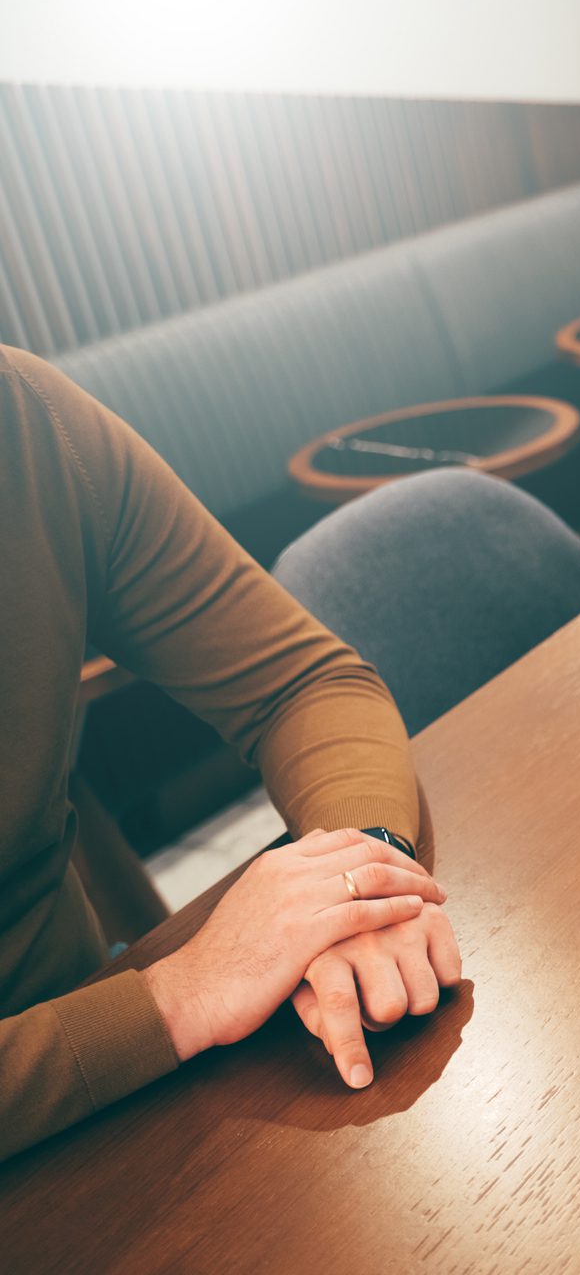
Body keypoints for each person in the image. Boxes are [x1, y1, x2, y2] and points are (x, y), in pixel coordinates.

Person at [1, 346, 463, 1163]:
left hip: (109, 1064)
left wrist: (357, 876)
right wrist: (174, 998)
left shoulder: (24, 415)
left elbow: (303, 683)